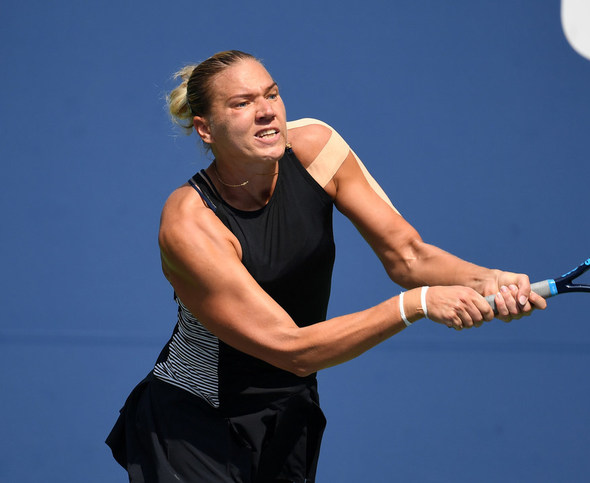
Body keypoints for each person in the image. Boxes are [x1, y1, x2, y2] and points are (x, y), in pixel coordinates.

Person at [106, 50, 546, 482]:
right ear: (205, 129)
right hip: (194, 423)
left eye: (271, 95)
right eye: (242, 104)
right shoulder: (190, 222)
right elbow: (292, 349)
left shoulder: (316, 147)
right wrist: (416, 305)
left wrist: (490, 280)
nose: (266, 112)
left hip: (288, 411)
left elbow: (408, 254)